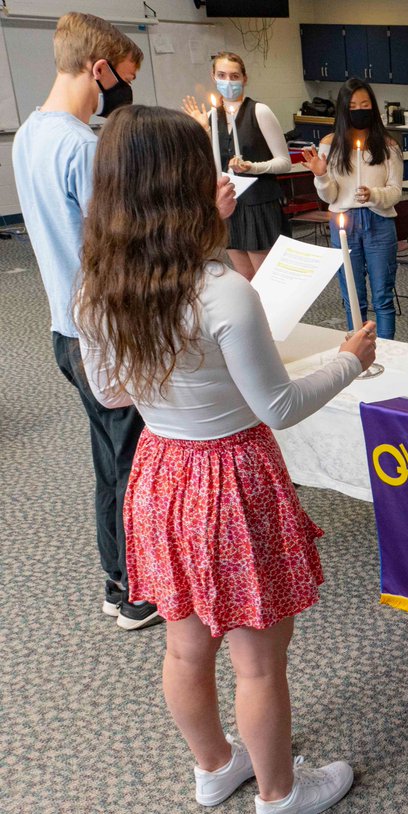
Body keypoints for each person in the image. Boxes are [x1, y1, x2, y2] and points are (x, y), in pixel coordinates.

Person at [76, 105, 377, 814]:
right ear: (180, 187)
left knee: (185, 643)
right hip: (233, 482)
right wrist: (350, 359)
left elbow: (114, 393)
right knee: (258, 660)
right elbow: (277, 405)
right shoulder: (223, 293)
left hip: (160, 474)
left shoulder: (99, 287)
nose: (220, 177)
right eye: (201, 167)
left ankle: (216, 765)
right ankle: (280, 795)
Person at [12, 12, 234, 631]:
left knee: (111, 462)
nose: (124, 91)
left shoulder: (30, 133)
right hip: (108, 332)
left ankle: (120, 578)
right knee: (135, 461)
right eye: (126, 77)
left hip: (67, 324)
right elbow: (128, 252)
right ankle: (134, 588)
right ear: (99, 67)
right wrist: (204, 219)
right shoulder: (85, 149)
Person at [300, 78, 404, 339]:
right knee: (353, 296)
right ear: (344, 109)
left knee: (383, 295)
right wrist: (321, 175)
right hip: (343, 222)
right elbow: (330, 196)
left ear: (373, 107)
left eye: (365, 104)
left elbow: (395, 192)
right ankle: (358, 353)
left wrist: (373, 194)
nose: (359, 109)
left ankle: (390, 353)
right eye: (353, 105)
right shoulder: (329, 144)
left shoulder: (389, 145)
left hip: (379, 222)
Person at [183, 52, 293, 280]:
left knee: (267, 279)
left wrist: (252, 167)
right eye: (222, 75)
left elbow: (284, 163)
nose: (228, 81)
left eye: (234, 76)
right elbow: (210, 166)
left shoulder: (259, 111)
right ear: (213, 77)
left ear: (244, 78)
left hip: (259, 204)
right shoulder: (212, 116)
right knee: (245, 277)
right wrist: (203, 131)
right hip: (231, 205)